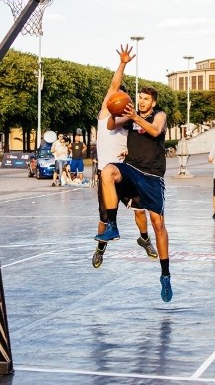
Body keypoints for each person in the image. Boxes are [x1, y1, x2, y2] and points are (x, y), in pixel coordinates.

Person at [98, 86, 173, 302]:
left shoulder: (159, 115)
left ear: (153, 102)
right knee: (108, 171)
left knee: (158, 225)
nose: (141, 101)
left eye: (145, 99)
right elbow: (111, 125)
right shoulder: (132, 116)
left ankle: (165, 275)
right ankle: (112, 226)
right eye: (139, 97)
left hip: (152, 176)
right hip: (131, 169)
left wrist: (134, 117)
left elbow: (155, 131)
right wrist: (115, 110)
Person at [92, 45, 158, 270]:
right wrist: (123, 63)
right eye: (121, 99)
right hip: (107, 174)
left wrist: (131, 152)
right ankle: (100, 249)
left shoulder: (132, 122)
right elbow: (113, 86)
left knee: (140, 211)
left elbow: (142, 143)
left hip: (126, 171)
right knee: (104, 219)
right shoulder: (105, 115)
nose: (125, 104)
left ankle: (145, 239)